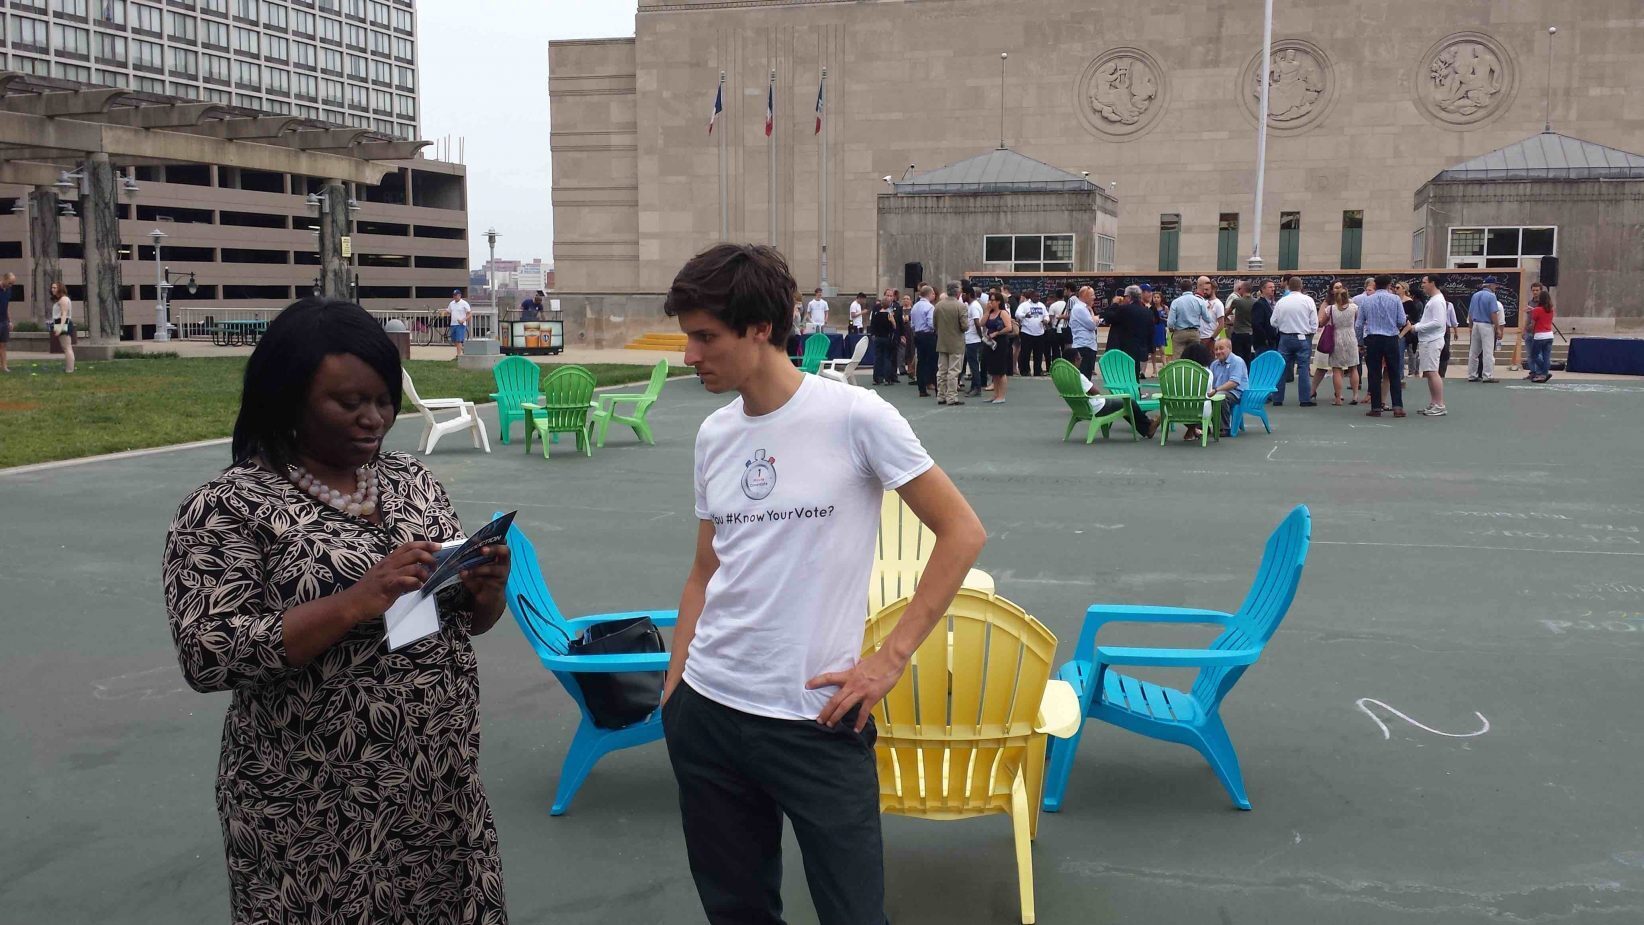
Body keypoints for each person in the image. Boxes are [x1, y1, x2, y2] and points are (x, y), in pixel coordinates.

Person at [661, 243, 985, 925]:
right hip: (709, 711)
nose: (690, 355)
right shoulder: (714, 435)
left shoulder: (856, 417)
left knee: (855, 913)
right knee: (737, 913)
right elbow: (705, 569)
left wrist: (888, 660)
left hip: (817, 718)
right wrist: (676, 684)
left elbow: (962, 532)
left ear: (760, 328)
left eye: (705, 337)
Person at [162, 298, 512, 923]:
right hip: (313, 806)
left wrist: (487, 589)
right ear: (288, 399)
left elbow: (464, 623)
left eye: (382, 399)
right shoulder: (228, 507)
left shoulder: (410, 480)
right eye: (348, 402)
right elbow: (208, 654)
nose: (372, 418)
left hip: (436, 787)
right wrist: (354, 602)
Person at [1354, 274, 1413, 417]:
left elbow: (1359, 324)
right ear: (1389, 285)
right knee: (1394, 373)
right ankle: (1397, 407)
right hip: (1391, 338)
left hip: (1372, 338)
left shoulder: (1366, 301)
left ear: (1375, 285)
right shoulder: (1395, 299)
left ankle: (1375, 407)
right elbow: (1401, 321)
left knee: (1374, 373)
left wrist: (1360, 342)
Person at [1269, 276, 1318, 406]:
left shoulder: (1281, 302)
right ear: (1301, 286)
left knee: (1281, 368)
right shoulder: (1308, 300)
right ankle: (1304, 399)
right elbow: (1314, 323)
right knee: (1303, 368)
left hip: (1285, 337)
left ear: (1289, 286)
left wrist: (1282, 325)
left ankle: (1277, 399)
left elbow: (1273, 322)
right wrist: (1309, 332)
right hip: (1303, 337)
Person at [1414, 275, 1450, 415]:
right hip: (1428, 340)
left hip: (1432, 340)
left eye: (1424, 282)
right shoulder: (1434, 300)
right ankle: (1434, 402)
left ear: (1432, 283)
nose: (1422, 285)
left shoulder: (1437, 301)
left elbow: (1438, 323)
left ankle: (1439, 405)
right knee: (1429, 372)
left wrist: (1416, 327)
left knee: (1433, 372)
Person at [1317, 287, 1361, 405]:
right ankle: (1355, 396)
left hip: (1336, 337)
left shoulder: (1331, 309)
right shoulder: (1354, 308)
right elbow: (1358, 321)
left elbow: (1322, 322)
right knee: (1353, 367)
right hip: (1351, 337)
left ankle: (1338, 398)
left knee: (1337, 369)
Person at [1105, 285, 1155, 379]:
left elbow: (1109, 318)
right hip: (1140, 349)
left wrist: (1114, 304)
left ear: (1129, 297)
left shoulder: (1124, 309)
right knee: (1134, 377)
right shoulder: (1147, 312)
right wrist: (1148, 349)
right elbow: (1151, 331)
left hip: (1123, 349)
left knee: (1122, 377)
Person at [934, 282, 969, 405]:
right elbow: (964, 326)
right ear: (957, 292)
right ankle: (952, 397)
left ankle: (941, 395)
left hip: (942, 341)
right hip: (956, 343)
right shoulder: (961, 306)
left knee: (942, 370)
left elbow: (935, 324)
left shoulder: (938, 305)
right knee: (953, 371)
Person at [1467, 276, 1504, 382]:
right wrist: (1497, 328)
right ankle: (1487, 375)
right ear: (1490, 285)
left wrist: (1470, 327)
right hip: (1486, 325)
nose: (1495, 287)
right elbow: (1493, 313)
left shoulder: (1475, 295)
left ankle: (1472, 374)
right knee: (1488, 351)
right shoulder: (1491, 296)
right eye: (1495, 285)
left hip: (1476, 324)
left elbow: (1470, 313)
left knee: (1474, 352)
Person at [1209, 337, 1249, 437]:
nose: (1218, 352)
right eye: (1216, 349)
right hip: (1218, 391)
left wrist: (1216, 390)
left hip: (1237, 393)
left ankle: (1224, 428)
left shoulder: (1237, 361)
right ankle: (1200, 427)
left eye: (1221, 348)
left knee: (1220, 396)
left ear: (1230, 349)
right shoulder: (1214, 364)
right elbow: (1209, 382)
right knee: (1202, 396)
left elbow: (1234, 383)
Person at [1176, 341, 1215, 442]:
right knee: (1210, 401)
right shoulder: (1207, 373)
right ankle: (1198, 429)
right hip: (1199, 410)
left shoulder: (1176, 371)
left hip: (1176, 408)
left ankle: (1192, 430)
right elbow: (1208, 393)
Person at [1167, 276, 1212, 360]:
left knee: (1178, 358)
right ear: (1192, 288)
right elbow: (1208, 319)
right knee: (1194, 357)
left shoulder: (1176, 302)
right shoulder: (1199, 301)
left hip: (1180, 332)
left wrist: (1171, 329)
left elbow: (1170, 322)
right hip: (1194, 332)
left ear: (1180, 289)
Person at [982, 298, 1016, 403]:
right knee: (993, 371)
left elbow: (1009, 327)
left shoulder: (1003, 313)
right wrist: (987, 311)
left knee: (1000, 370)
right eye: (989, 300)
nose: (990, 302)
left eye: (992, 300)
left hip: (1000, 343)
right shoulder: (989, 313)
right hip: (990, 343)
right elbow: (981, 323)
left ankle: (1001, 396)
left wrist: (997, 333)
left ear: (998, 302)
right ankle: (995, 394)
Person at [1014, 290, 1049, 377]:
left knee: (1039, 354)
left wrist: (1046, 320)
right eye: (1036, 296)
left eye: (1039, 296)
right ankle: (1025, 371)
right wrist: (1024, 315)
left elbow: (1046, 315)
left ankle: (1038, 371)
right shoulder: (1024, 305)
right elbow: (1017, 314)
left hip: (1039, 333)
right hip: (1027, 332)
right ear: (1031, 296)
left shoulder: (1042, 305)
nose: (1038, 298)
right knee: (1025, 353)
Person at [910, 284, 937, 397]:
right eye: (933, 293)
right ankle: (935, 386)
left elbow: (912, 324)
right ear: (929, 294)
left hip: (918, 334)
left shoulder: (915, 307)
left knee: (921, 362)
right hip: (928, 335)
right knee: (932, 362)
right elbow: (931, 323)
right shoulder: (930, 307)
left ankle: (922, 388)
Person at [868, 290, 900, 385]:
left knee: (878, 358)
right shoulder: (889, 315)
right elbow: (894, 326)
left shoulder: (876, 314)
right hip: (887, 337)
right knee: (887, 358)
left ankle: (877, 378)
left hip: (878, 337)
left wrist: (873, 334)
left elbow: (873, 324)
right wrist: (893, 322)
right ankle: (887, 378)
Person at [1068, 285, 1099, 377]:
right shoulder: (1080, 308)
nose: (1094, 297)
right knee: (1084, 376)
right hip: (1084, 346)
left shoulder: (1085, 308)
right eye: (1092, 295)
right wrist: (1095, 318)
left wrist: (1093, 317)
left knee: (1087, 376)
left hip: (1088, 346)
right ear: (1085, 296)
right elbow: (1092, 325)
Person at [1526, 287, 1556, 383]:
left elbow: (1533, 324)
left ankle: (1544, 370)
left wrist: (1528, 329)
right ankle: (1544, 374)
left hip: (1540, 335)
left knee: (1534, 355)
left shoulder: (1537, 310)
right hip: (1549, 334)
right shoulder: (1551, 310)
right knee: (1546, 356)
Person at [964, 285, 987, 397]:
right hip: (970, 338)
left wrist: (980, 336)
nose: (962, 296)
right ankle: (974, 386)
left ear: (969, 294)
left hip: (973, 339)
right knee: (972, 364)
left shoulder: (974, 306)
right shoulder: (970, 305)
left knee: (974, 365)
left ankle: (977, 387)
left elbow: (977, 323)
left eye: (963, 294)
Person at [1225, 280, 1255, 364]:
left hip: (1238, 333)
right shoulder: (1255, 302)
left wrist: (1226, 320)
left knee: (1237, 357)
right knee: (1247, 357)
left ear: (1242, 289)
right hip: (1250, 333)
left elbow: (1226, 313)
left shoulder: (1237, 301)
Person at [50, 280, 76, 374]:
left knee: (67, 347)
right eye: (52, 288)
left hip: (63, 323)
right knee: (66, 347)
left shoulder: (63, 299)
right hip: (60, 323)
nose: (53, 289)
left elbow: (64, 314)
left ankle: (70, 369)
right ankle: (69, 368)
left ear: (60, 288)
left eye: (55, 288)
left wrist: (60, 327)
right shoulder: (60, 300)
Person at [1251, 279, 1279, 358]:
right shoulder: (1259, 304)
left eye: (1273, 287)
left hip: (1273, 342)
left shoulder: (1273, 304)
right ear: (1263, 289)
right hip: (1264, 345)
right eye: (1270, 287)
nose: (1273, 289)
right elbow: (1256, 324)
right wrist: (1266, 340)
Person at [443, 288, 471, 360]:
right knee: (455, 340)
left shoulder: (464, 303)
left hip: (460, 324)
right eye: (454, 295)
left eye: (456, 295)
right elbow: (448, 311)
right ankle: (462, 350)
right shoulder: (451, 303)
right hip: (453, 324)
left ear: (460, 295)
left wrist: (463, 320)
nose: (455, 296)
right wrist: (442, 313)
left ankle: (459, 356)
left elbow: (469, 313)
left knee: (459, 340)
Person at [1147, 287, 1168, 376]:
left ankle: (1165, 368)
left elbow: (1168, 319)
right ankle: (1154, 370)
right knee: (1153, 351)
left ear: (1161, 298)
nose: (1156, 299)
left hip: (1161, 329)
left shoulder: (1165, 308)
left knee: (1162, 350)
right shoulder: (1150, 308)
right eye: (1154, 297)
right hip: (1153, 329)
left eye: (1158, 297)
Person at [1199, 282, 1225, 349]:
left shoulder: (1218, 304)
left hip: (1210, 338)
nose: (1204, 292)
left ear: (1213, 290)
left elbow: (1221, 324)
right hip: (1200, 338)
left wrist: (1212, 338)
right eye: (1204, 290)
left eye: (1207, 290)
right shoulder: (1204, 303)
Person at [0, 271, 14, 373]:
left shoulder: (8, 291)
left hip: (4, 321)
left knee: (3, 345)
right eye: (9, 283)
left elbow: (7, 306)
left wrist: (9, 321)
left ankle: (4, 366)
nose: (11, 285)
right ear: (4, 279)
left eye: (12, 284)